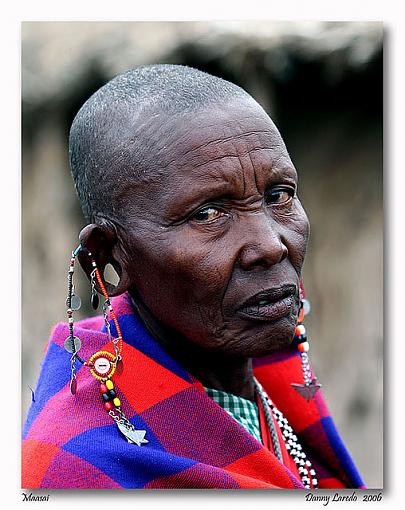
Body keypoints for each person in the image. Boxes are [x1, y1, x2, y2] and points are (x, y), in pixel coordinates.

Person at [22, 64, 365, 489]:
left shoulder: (277, 381)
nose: (272, 245)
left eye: (278, 196)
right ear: (110, 259)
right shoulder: (75, 472)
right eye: (207, 214)